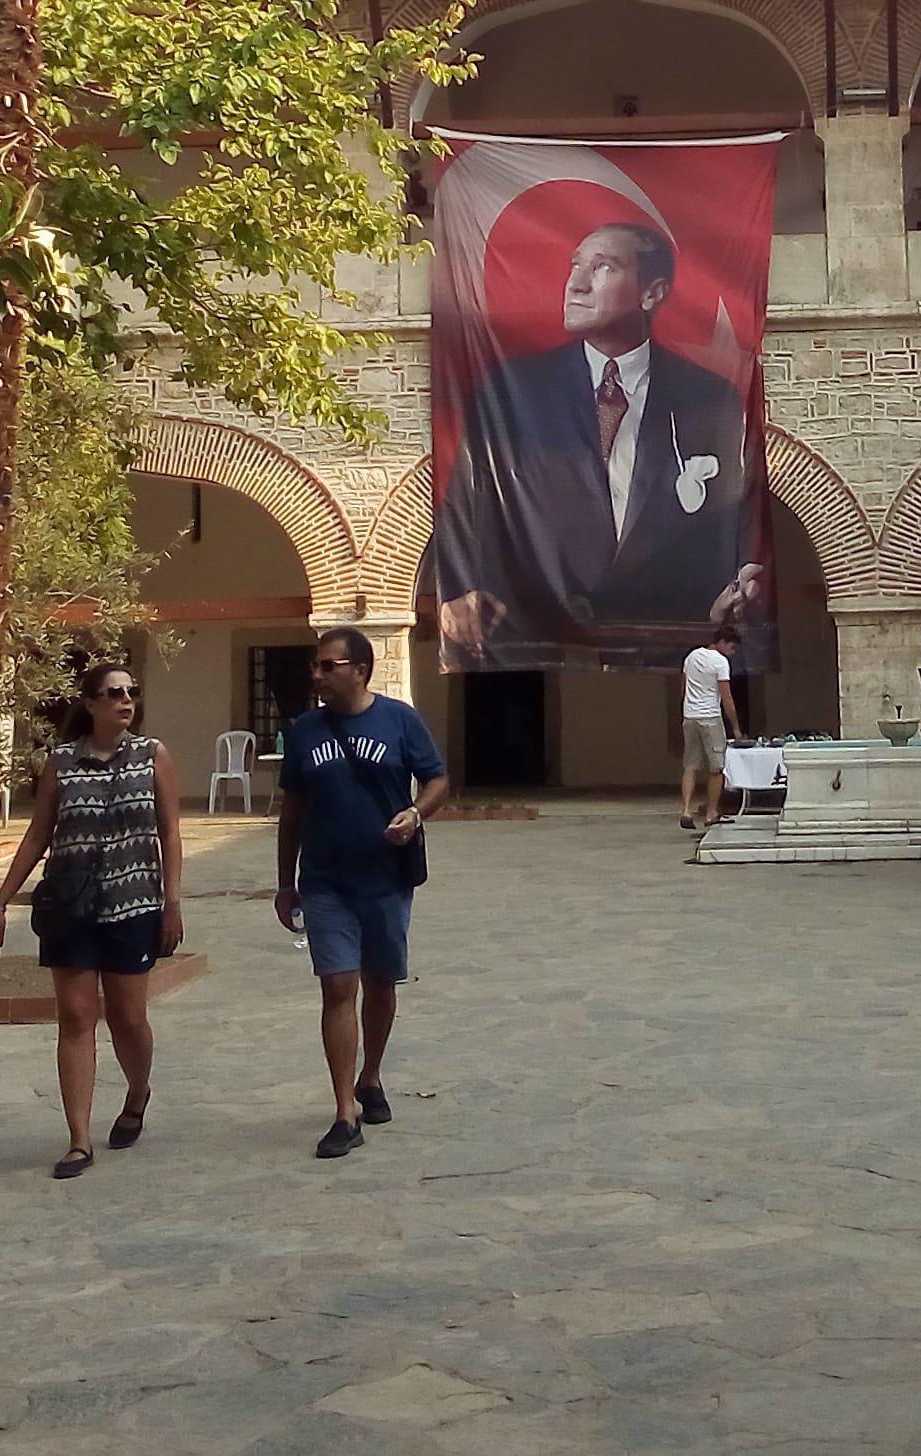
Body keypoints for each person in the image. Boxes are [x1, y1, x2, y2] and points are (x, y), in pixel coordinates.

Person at [434, 220, 766, 673]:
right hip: (541, 651)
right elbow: (468, 507)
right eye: (575, 266)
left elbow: (729, 515)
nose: (576, 284)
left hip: (665, 652)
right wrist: (460, 589)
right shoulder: (514, 391)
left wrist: (733, 586)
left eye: (603, 267)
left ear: (651, 293)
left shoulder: (709, 397)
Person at [0, 657, 184, 1180]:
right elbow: (38, 833)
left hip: (133, 904)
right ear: (91, 703)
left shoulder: (152, 756)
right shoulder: (61, 762)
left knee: (128, 1018)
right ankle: (78, 1139)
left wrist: (172, 902)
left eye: (131, 692)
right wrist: (2, 899)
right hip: (70, 907)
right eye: (114, 693)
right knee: (75, 1017)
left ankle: (137, 1091)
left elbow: (170, 833)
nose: (126, 701)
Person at [273, 627, 450, 1159]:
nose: (318, 674)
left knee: (380, 981)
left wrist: (416, 814)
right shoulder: (305, 731)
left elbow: (437, 779)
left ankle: (370, 1075)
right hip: (325, 880)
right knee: (337, 986)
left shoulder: (399, 721)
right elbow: (292, 811)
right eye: (316, 665)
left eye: (328, 666)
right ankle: (343, 1110)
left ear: (360, 670)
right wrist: (285, 882)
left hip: (386, 878)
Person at [678, 618, 741, 833]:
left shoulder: (691, 656)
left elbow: (683, 688)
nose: (732, 652)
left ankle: (686, 810)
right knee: (716, 768)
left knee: (690, 766)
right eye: (731, 647)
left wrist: (686, 708)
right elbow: (726, 697)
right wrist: (736, 726)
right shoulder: (720, 662)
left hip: (690, 716)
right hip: (710, 717)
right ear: (722, 642)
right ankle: (711, 812)